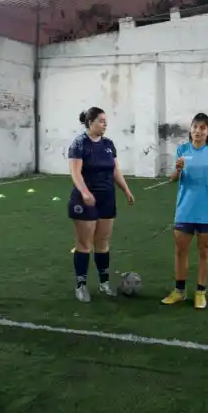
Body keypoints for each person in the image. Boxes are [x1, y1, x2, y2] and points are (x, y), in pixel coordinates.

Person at [161, 113, 208, 310]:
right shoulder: (182, 150)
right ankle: (179, 291)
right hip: (185, 209)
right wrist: (177, 169)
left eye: (203, 128)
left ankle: (200, 292)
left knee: (205, 250)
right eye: (195, 126)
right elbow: (173, 179)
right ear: (190, 128)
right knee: (180, 250)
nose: (198, 131)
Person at [68, 106, 134, 302]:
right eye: (101, 121)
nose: (105, 124)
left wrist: (126, 190)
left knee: (103, 242)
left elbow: (115, 170)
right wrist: (85, 192)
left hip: (106, 199)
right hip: (85, 200)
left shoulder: (108, 144)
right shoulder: (79, 143)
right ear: (91, 122)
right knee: (84, 244)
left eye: (106, 121)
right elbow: (75, 172)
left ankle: (104, 283)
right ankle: (81, 286)